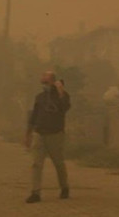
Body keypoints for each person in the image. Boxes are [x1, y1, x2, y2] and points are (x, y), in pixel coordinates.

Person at [24, 71, 71, 204]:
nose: (44, 83)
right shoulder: (40, 97)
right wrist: (28, 134)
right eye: (43, 81)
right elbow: (34, 116)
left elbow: (65, 107)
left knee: (58, 163)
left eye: (47, 81)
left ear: (53, 82)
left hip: (55, 134)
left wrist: (60, 91)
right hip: (40, 134)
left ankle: (64, 187)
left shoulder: (62, 96)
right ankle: (35, 192)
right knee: (36, 164)